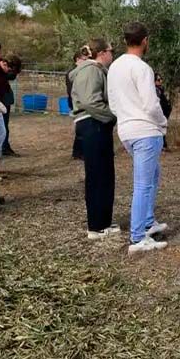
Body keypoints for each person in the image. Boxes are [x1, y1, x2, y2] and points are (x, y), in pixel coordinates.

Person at [108, 22, 170, 255]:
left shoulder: (115, 67)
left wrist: (125, 118)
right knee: (143, 183)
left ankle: (148, 222)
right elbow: (151, 104)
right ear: (145, 40)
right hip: (145, 130)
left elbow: (113, 102)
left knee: (152, 175)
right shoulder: (142, 68)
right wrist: (162, 122)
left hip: (127, 130)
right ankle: (137, 236)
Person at [69, 39, 119, 240]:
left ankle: (103, 221)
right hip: (93, 124)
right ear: (101, 53)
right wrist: (112, 116)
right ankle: (97, 226)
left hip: (96, 123)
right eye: (110, 51)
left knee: (104, 174)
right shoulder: (90, 71)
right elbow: (91, 101)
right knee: (98, 175)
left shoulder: (94, 70)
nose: (112, 55)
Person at [67, 50, 88, 160]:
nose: (86, 61)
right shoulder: (72, 73)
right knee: (80, 128)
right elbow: (71, 91)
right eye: (84, 59)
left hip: (81, 103)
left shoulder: (84, 72)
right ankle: (78, 151)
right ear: (77, 60)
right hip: (76, 103)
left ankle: (78, 151)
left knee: (81, 128)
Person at [155, 73, 173, 151]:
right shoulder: (156, 90)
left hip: (164, 112)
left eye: (161, 79)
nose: (160, 81)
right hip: (161, 113)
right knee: (160, 128)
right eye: (158, 80)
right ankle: (162, 146)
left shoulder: (160, 89)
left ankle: (163, 145)